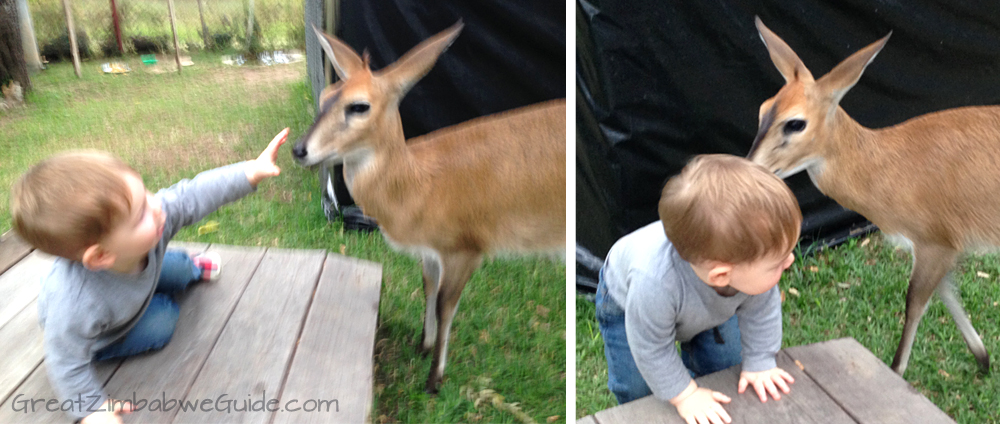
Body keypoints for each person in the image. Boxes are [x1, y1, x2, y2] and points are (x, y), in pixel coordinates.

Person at [10, 129, 289, 423]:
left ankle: (189, 269)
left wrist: (250, 172)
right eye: (140, 212)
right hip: (106, 332)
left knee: (180, 268)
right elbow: (64, 362)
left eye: (146, 194)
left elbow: (193, 194)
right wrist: (92, 411)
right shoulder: (75, 305)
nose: (157, 206)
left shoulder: (154, 216)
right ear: (101, 255)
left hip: (135, 273)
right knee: (161, 322)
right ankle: (153, 297)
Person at [596, 154, 802, 424]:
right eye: (777, 262)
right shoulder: (653, 283)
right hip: (627, 306)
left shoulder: (743, 270)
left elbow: (762, 312)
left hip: (705, 298)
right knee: (638, 385)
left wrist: (760, 361)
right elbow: (651, 348)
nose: (791, 261)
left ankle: (699, 377)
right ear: (721, 275)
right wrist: (685, 395)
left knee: (726, 361)